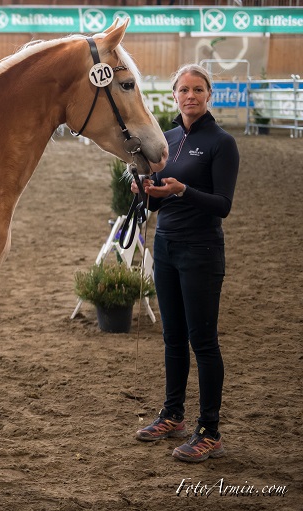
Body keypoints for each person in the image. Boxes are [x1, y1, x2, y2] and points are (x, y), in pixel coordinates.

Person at [132, 64, 239, 462]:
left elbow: (223, 205)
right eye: (184, 90)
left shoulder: (221, 143)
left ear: (209, 95)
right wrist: (146, 191)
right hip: (166, 247)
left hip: (201, 250)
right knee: (173, 338)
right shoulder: (169, 138)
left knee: (203, 342)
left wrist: (183, 190)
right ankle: (172, 415)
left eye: (198, 89)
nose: (190, 96)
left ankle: (210, 431)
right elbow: (158, 203)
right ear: (174, 95)